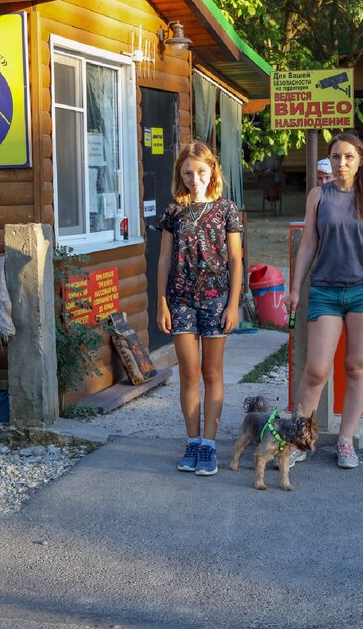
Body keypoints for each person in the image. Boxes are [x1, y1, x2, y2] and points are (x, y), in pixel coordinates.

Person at [288, 132, 363, 469]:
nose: (341, 164)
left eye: (349, 157)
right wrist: (294, 288)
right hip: (324, 289)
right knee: (316, 370)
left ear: (360, 161)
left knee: (356, 366)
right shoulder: (317, 195)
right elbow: (308, 243)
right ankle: (296, 439)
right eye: (336, 157)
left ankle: (346, 440)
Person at [157, 140, 244, 476]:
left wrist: (234, 304)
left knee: (212, 372)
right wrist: (161, 302)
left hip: (216, 298)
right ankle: (192, 441)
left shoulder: (226, 209)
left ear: (212, 173)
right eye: (188, 172)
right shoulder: (172, 212)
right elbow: (164, 258)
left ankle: (209, 445)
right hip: (179, 301)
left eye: (201, 172)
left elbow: (236, 259)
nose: (195, 178)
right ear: (181, 174)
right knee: (189, 374)